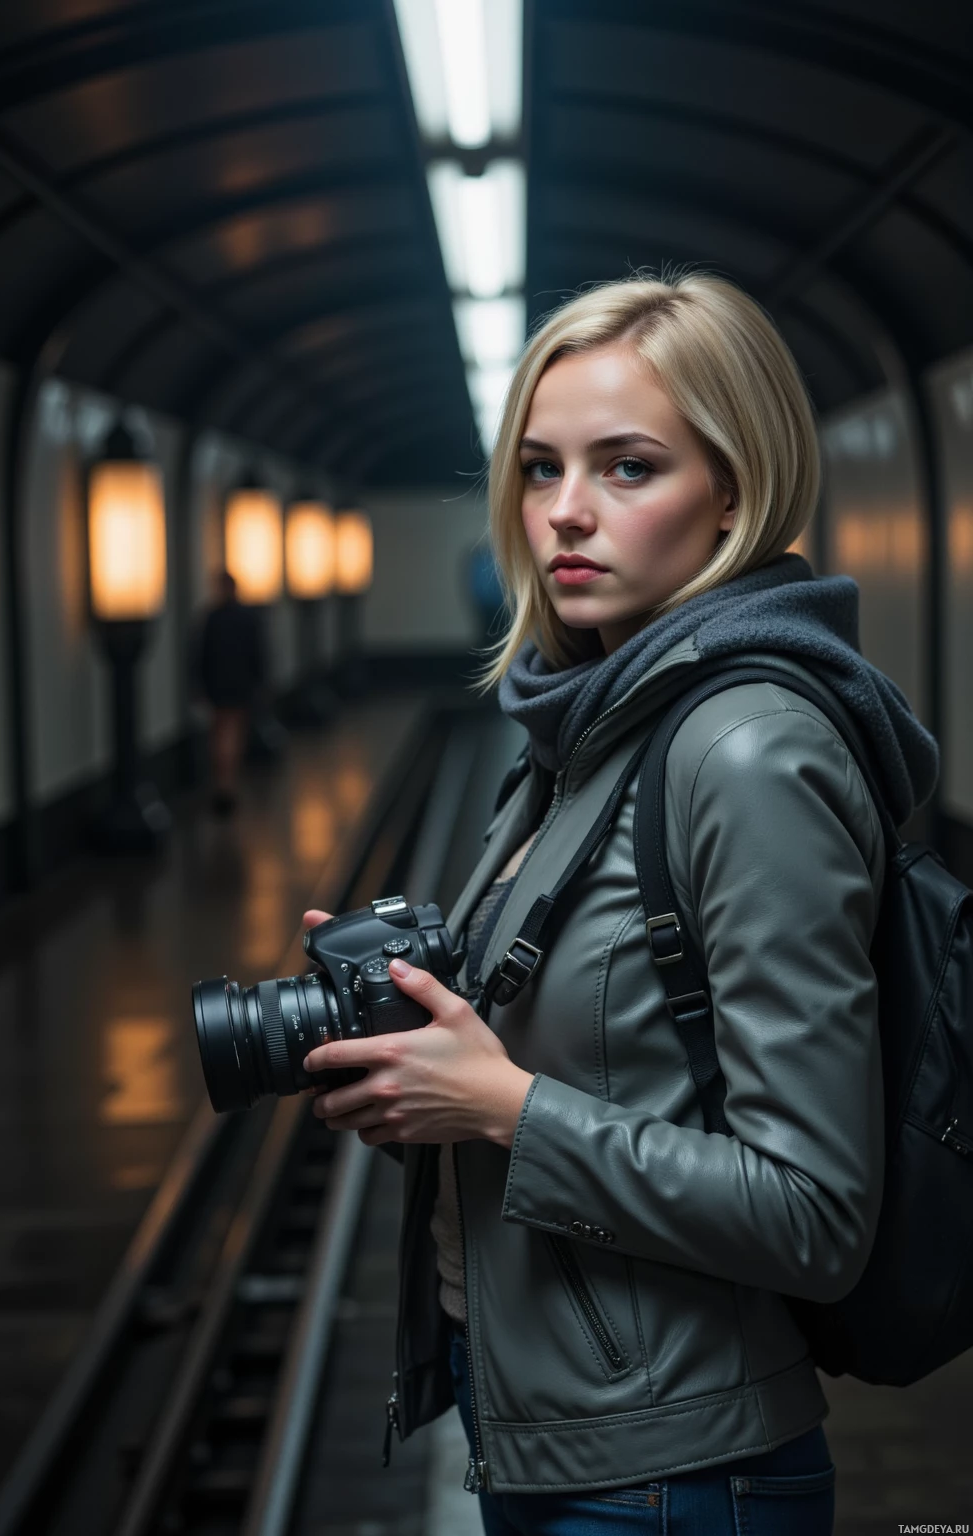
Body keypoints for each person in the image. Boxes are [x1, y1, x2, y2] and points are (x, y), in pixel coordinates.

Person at [298, 274, 938, 1533]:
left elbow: (815, 1211)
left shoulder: (745, 751)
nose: (565, 514)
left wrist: (503, 1107)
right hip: (559, 1421)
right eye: (540, 469)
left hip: (669, 1473)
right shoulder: (588, 723)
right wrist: (424, 1047)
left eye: (629, 467)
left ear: (735, 497)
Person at [193, 570, 267, 816]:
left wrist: (199, 684)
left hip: (220, 684)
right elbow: (258, 653)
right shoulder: (247, 618)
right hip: (238, 684)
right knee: (232, 732)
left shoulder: (212, 618)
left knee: (221, 732)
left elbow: (200, 655)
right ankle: (227, 783)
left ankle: (223, 783)